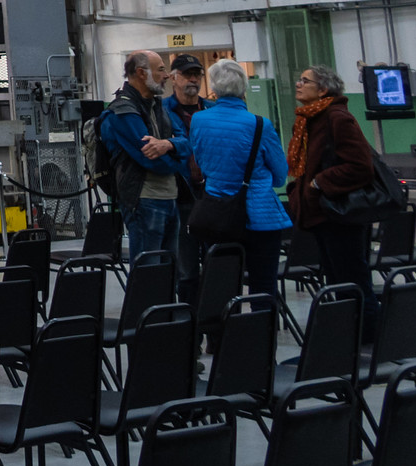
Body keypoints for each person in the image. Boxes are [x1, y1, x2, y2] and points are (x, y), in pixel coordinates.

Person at [288, 64, 383, 332]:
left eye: (304, 81)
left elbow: (361, 166)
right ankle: (351, 335)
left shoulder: (337, 118)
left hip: (342, 214)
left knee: (353, 280)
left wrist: (319, 182)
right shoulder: (309, 118)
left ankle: (368, 338)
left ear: (323, 89)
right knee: (339, 280)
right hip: (322, 214)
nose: (298, 84)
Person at [186, 59, 291, 297]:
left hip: (217, 217)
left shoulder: (199, 121)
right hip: (260, 218)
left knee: (222, 286)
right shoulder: (259, 124)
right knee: (263, 287)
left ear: (213, 88)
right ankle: (262, 332)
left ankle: (222, 334)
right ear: (243, 88)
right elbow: (280, 175)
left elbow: (201, 163)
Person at [100, 51, 192, 262]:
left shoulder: (158, 106)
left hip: (169, 198)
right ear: (141, 73)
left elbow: (187, 142)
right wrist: (176, 155)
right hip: (145, 201)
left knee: (170, 273)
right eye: (161, 69)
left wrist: (168, 144)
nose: (167, 75)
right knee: (148, 274)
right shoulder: (123, 112)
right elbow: (152, 160)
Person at [164, 55, 209, 304]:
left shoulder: (213, 110)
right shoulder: (161, 112)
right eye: (187, 74)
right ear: (173, 78)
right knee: (187, 269)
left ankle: (216, 330)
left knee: (217, 262)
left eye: (197, 74)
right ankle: (191, 333)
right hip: (182, 197)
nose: (193, 79)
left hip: (213, 196)